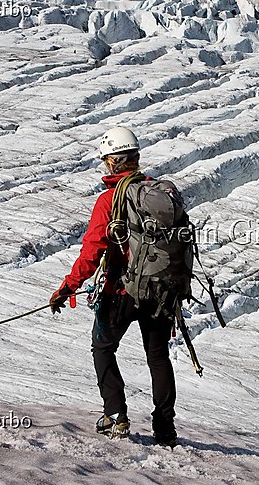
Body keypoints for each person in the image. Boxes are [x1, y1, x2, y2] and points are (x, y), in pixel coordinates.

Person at [49, 127, 178, 447]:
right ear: (136, 158)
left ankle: (116, 415)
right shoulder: (160, 195)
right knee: (158, 356)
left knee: (103, 348)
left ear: (111, 162)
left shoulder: (109, 200)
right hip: (161, 291)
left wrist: (68, 286)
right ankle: (164, 429)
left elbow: (93, 249)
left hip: (120, 292)